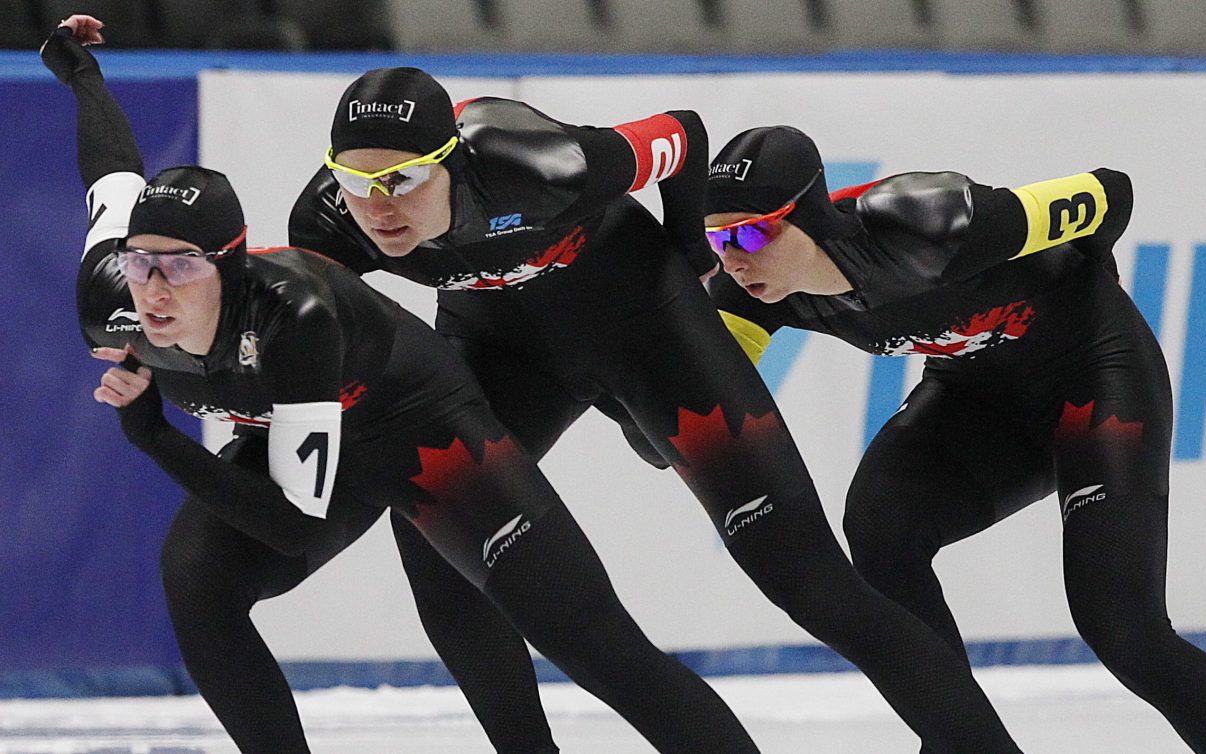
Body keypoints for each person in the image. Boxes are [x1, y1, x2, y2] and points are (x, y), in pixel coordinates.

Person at [43, 16, 763, 754]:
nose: (156, 291)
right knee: (196, 578)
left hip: (417, 425)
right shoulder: (113, 302)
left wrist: (155, 435)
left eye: (183, 266)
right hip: (307, 428)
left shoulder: (297, 315)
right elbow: (112, 177)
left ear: (233, 265)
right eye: (142, 265)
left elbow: (297, 526)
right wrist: (81, 77)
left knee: (591, 643)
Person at [287, 67, 1023, 753]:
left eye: (403, 179)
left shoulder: (543, 163)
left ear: (452, 160)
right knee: (436, 557)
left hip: (646, 325)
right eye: (356, 180)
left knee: (808, 581)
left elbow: (684, 133)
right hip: (502, 347)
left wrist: (689, 259)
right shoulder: (327, 225)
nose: (378, 205)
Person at [702, 125, 1206, 753]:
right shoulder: (747, 298)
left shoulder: (927, 220)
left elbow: (1111, 194)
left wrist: (1089, 290)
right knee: (880, 525)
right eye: (718, 238)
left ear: (809, 217)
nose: (735, 257)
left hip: (1093, 375)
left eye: (752, 231)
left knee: (1124, 630)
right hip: (974, 397)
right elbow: (673, 429)